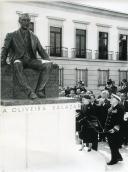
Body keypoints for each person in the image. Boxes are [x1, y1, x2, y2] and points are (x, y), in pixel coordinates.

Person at [1, 13, 52, 99]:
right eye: (24, 20)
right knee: (17, 64)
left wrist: (49, 61)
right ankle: (29, 92)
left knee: (47, 64)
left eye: (28, 20)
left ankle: (39, 90)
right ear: (19, 21)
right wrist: (2, 61)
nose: (26, 22)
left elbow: (41, 50)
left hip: (31, 60)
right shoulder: (11, 35)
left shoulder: (34, 36)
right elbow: (5, 48)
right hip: (18, 59)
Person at [104, 94, 124, 165]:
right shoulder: (112, 107)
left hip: (114, 130)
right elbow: (108, 119)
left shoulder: (119, 108)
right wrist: (106, 128)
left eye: (112, 99)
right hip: (109, 129)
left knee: (113, 145)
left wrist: (114, 129)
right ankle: (118, 157)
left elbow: (119, 121)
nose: (110, 100)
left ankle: (114, 160)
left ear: (116, 100)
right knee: (112, 145)